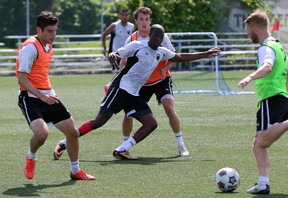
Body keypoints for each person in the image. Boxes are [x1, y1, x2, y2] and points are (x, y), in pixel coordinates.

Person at [53, 24, 220, 160]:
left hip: (133, 94)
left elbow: (180, 57)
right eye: (156, 37)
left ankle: (122, 149)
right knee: (100, 121)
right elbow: (118, 53)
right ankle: (64, 143)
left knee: (151, 123)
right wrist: (113, 55)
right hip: (120, 89)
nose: (158, 40)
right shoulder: (137, 45)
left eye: (161, 38)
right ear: (149, 36)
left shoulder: (161, 52)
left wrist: (205, 54)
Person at [16, 11, 95, 180]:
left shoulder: (48, 45)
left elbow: (41, 74)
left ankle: (75, 171)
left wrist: (49, 93)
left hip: (48, 96)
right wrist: (42, 96)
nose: (54, 35)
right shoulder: (30, 48)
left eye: (55, 30)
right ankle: (31, 157)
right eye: (49, 31)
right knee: (42, 134)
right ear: (39, 29)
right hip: (29, 97)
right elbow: (22, 79)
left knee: (73, 133)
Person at [121, 6, 189, 157]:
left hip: (161, 80)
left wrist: (165, 69)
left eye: (147, 19)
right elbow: (123, 61)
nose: (144, 22)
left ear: (150, 21)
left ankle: (181, 145)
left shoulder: (160, 36)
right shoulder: (131, 39)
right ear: (136, 21)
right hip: (141, 83)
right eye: (141, 19)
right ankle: (124, 146)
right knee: (128, 114)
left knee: (169, 109)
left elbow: (174, 57)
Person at [238, 9, 288, 194]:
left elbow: (267, 67)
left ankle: (263, 183)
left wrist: (249, 77)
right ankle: (263, 183)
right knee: (257, 144)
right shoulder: (279, 46)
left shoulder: (266, 48)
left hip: (271, 98)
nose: (247, 33)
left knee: (262, 142)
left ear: (256, 28)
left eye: (248, 29)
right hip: (282, 98)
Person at [102, 8, 134, 93]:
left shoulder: (131, 26)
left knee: (123, 72)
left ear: (129, 16)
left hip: (126, 53)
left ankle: (110, 87)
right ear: (120, 16)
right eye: (122, 15)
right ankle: (111, 88)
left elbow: (133, 39)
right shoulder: (115, 25)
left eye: (126, 15)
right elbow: (104, 35)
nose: (124, 17)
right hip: (115, 53)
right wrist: (105, 48)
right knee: (121, 72)